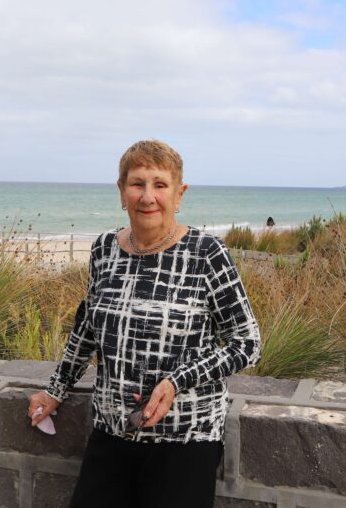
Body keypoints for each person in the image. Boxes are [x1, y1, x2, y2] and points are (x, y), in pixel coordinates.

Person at [28, 139, 261, 508]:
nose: (147, 196)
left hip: (186, 438)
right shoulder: (104, 249)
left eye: (160, 184)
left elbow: (247, 342)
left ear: (179, 193)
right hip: (112, 430)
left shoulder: (207, 254)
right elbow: (87, 329)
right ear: (121, 192)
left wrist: (176, 381)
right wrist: (55, 390)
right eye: (137, 184)